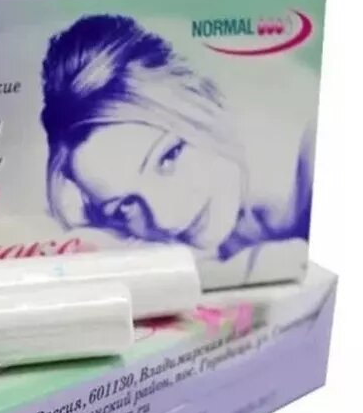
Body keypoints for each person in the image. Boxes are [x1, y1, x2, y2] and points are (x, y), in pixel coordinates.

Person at [41, 15, 312, 283]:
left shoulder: (315, 157)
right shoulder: (228, 224)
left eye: (168, 157)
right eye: (125, 206)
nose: (165, 220)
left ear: (203, 94)